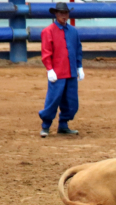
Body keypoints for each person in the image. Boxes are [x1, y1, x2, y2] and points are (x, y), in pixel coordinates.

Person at [38, 2, 83, 138]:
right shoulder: (48, 31)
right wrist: (49, 69)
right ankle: (46, 126)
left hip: (71, 71)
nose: (64, 16)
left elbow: (78, 49)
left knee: (71, 101)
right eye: (61, 13)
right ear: (56, 14)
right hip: (57, 73)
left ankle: (63, 125)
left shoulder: (73, 31)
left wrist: (79, 66)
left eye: (66, 13)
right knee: (53, 99)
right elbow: (46, 52)